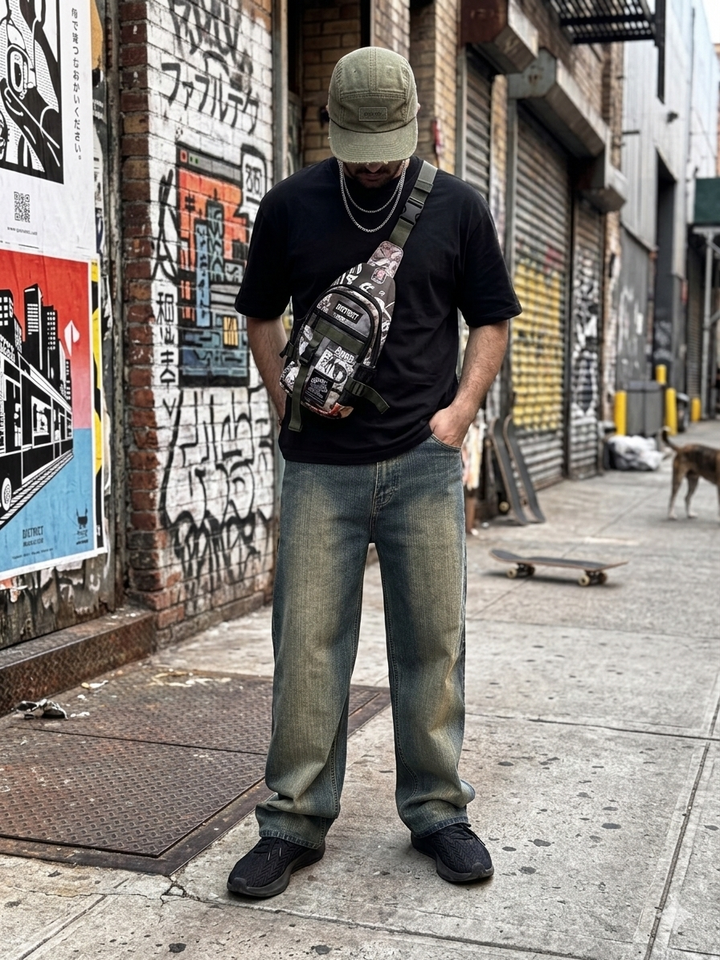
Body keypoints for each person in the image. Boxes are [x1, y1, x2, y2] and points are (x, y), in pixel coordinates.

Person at [228, 46, 520, 898]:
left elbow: (492, 319)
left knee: (432, 643)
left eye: (387, 150)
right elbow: (259, 314)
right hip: (320, 469)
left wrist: (459, 414)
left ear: (415, 128)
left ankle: (437, 811)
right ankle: (292, 821)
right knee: (307, 648)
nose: (374, 166)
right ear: (332, 131)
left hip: (423, 465)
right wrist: (284, 398)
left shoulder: (458, 207)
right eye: (360, 152)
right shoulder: (290, 206)